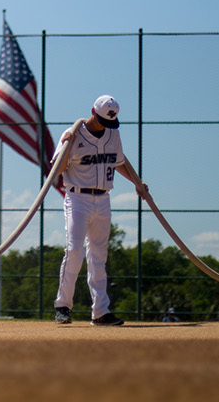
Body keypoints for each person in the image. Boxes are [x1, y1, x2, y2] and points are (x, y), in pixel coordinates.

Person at [53, 95, 149, 326]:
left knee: (99, 256)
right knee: (74, 250)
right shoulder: (73, 132)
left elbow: (119, 161)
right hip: (77, 197)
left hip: (103, 198)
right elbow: (58, 168)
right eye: (104, 120)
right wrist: (68, 142)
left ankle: (100, 312)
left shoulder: (112, 132)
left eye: (111, 121)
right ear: (93, 112)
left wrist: (136, 181)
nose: (107, 126)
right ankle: (63, 306)